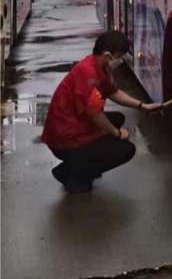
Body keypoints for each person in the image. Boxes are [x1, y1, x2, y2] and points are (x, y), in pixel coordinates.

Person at [42, 31, 162, 194]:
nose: (121, 60)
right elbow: (95, 114)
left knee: (117, 118)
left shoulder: (97, 66)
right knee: (126, 150)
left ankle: (78, 166)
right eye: (118, 56)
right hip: (64, 139)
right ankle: (74, 176)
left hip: (71, 126)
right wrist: (116, 133)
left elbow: (114, 92)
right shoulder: (89, 74)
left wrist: (142, 106)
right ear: (107, 56)